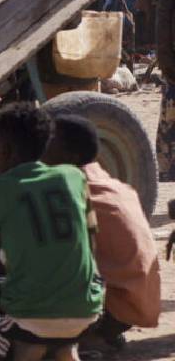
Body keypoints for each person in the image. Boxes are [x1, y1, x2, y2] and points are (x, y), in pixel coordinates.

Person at [0, 103, 102, 361]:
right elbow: (92, 245)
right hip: (87, 307)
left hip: (32, 316)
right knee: (54, 324)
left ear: (5, 151)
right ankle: (63, 350)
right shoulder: (74, 177)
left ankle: (22, 350)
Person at [43, 115, 160, 352]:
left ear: (71, 156)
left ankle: (90, 338)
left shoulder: (70, 189)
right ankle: (102, 333)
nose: (43, 147)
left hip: (114, 306)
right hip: (139, 302)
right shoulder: (108, 182)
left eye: (50, 141)